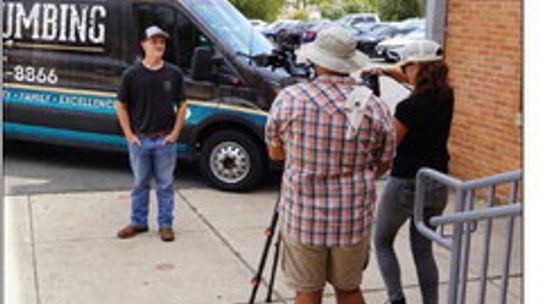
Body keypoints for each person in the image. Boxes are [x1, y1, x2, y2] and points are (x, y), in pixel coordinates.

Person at [265, 26, 396, 304]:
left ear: (315, 60)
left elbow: (276, 153)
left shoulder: (289, 100)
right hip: (351, 218)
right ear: (348, 63)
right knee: (348, 289)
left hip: (303, 216)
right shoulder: (374, 106)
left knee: (307, 291)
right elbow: (383, 164)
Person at [368, 40, 454, 304]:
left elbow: (391, 143)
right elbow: (410, 79)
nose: (403, 70)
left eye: (407, 66)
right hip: (437, 182)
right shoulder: (447, 95)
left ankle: (396, 299)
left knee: (382, 241)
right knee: (422, 249)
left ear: (418, 67)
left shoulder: (408, 108)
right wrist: (383, 72)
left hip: (406, 183)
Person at [116, 26, 187, 242]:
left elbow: (182, 105)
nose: (159, 45)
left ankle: (165, 225)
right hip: (140, 140)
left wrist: (175, 133)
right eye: (154, 41)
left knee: (165, 185)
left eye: (162, 42)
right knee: (140, 184)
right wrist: (129, 135)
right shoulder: (132, 74)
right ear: (143, 44)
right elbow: (120, 105)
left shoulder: (173, 74)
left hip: (164, 140)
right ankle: (138, 222)